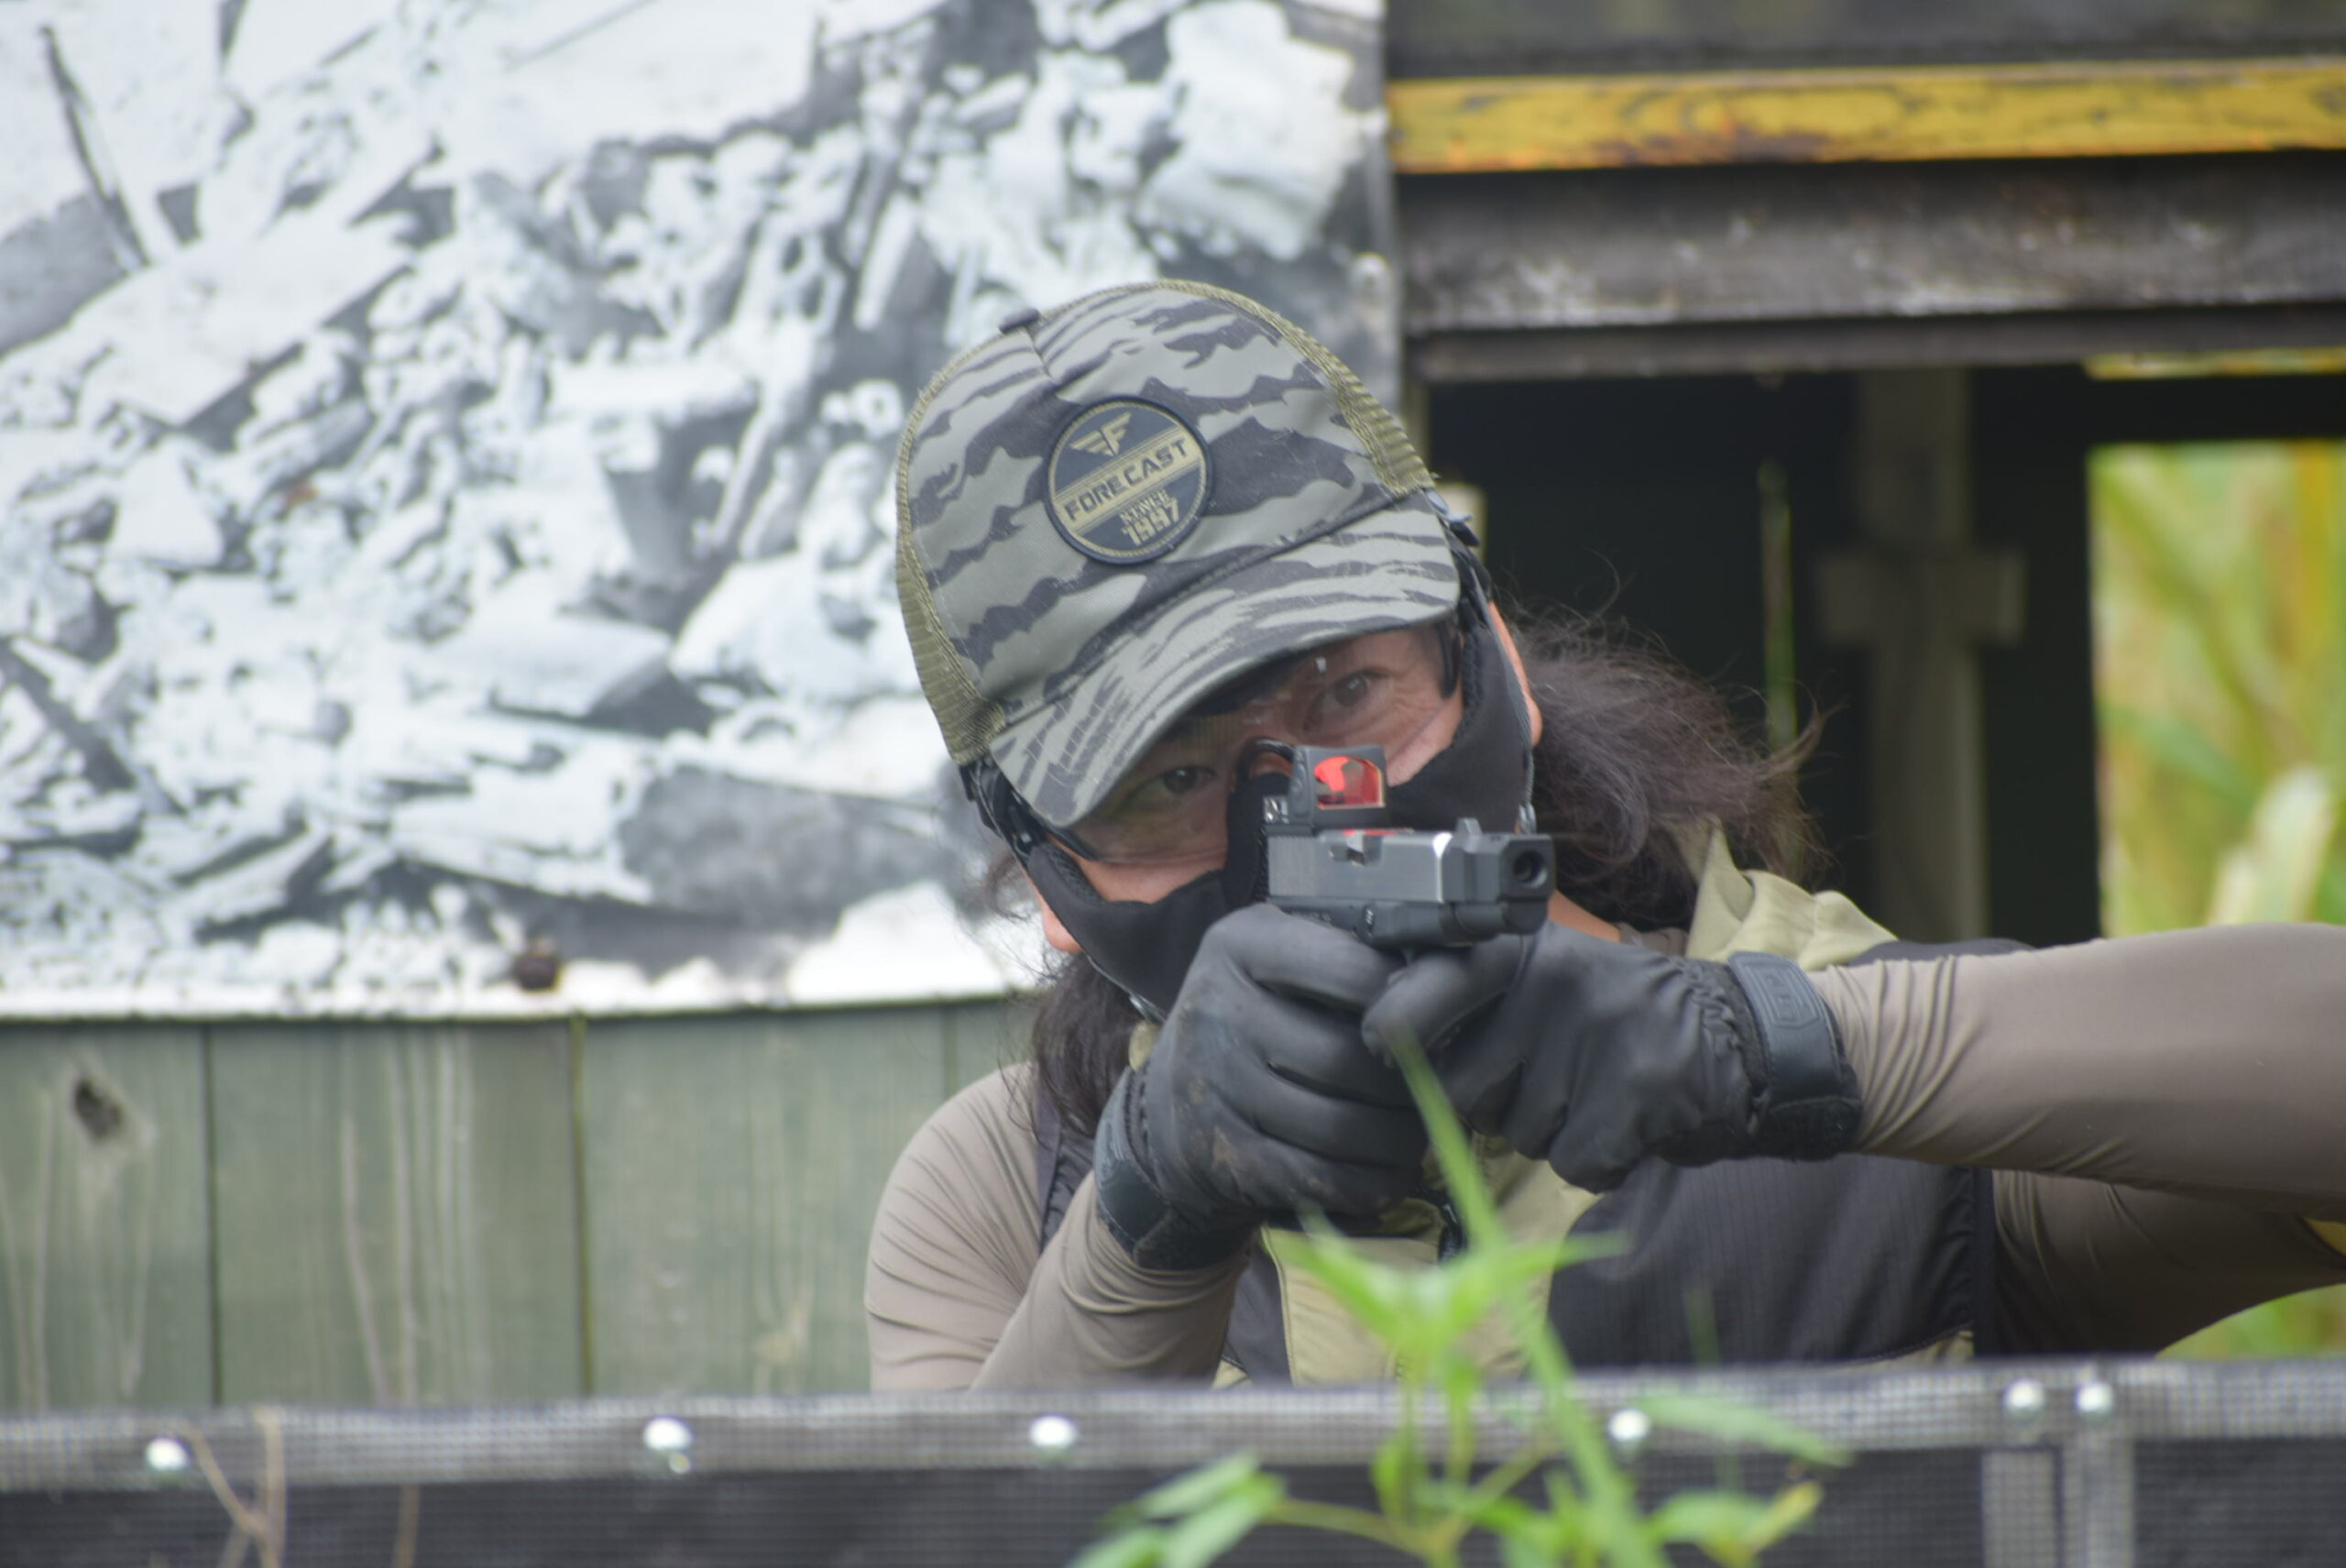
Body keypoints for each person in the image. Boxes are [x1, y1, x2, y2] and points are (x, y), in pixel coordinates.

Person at [867, 281, 2346, 1390]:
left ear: (1496, 661)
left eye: (1350, 695)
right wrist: (1152, 1209)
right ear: (1046, 878)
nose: (1310, 808)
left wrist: (1761, 1049)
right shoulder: (1012, 1191)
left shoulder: (1901, 1115)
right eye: (1169, 780)